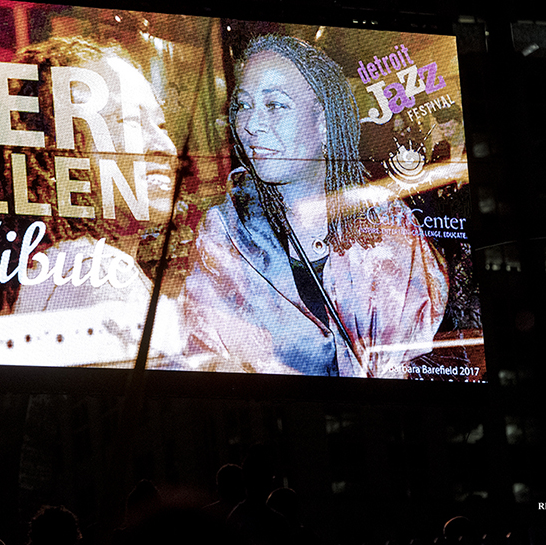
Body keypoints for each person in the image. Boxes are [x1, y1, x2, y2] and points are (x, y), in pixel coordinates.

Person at [182, 34, 448, 377]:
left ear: (323, 121)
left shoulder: (389, 225)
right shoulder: (224, 235)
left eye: (275, 105)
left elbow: (422, 362)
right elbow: (205, 360)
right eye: (243, 106)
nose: (251, 124)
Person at [0, 36, 182, 366]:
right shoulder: (101, 274)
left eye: (161, 123)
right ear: (59, 149)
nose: (164, 145)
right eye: (130, 122)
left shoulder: (60, 270)